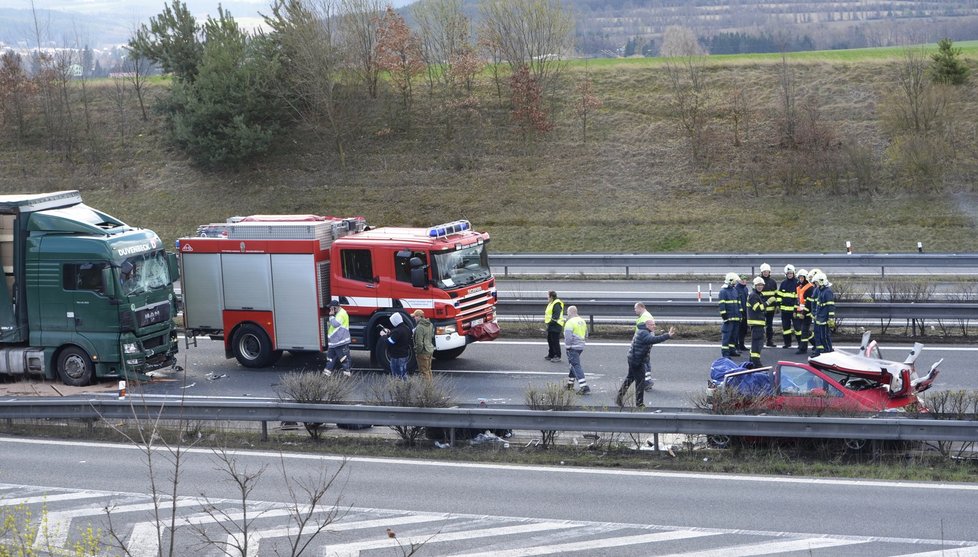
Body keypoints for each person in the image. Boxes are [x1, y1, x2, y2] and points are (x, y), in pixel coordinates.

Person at [616, 319, 677, 408]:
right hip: (637, 361)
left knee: (629, 379)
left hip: (633, 359)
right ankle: (639, 404)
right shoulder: (644, 333)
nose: (654, 326)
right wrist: (667, 335)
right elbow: (653, 340)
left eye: (654, 324)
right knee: (640, 382)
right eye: (652, 325)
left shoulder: (642, 330)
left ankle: (619, 397)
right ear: (647, 325)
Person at [563, 306, 590, 395]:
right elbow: (586, 333)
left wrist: (568, 346)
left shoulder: (569, 322)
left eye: (567, 312)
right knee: (572, 364)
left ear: (570, 312)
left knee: (575, 365)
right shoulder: (582, 321)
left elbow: (568, 337)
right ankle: (570, 384)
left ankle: (584, 386)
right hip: (580, 346)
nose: (567, 314)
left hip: (573, 346)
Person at [323, 300, 352, 377]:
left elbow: (335, 324)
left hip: (340, 342)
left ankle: (347, 375)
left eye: (331, 308)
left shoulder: (341, 314)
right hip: (335, 342)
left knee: (344, 359)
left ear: (335, 308)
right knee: (330, 359)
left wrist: (331, 316)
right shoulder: (339, 313)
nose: (330, 310)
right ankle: (326, 375)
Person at [381, 312, 413, 379]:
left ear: (395, 321)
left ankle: (398, 388)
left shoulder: (397, 331)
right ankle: (405, 387)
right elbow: (398, 336)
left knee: (397, 376)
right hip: (405, 355)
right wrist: (390, 333)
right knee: (403, 374)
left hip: (396, 357)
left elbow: (390, 342)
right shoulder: (407, 328)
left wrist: (383, 336)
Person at [812, 271, 836, 356]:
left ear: (821, 282)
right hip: (820, 317)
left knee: (825, 336)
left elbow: (830, 306)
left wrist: (831, 318)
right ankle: (826, 352)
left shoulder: (827, 292)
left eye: (817, 283)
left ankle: (829, 352)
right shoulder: (820, 290)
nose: (816, 284)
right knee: (822, 336)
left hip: (825, 318)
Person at [718, 272, 742, 358]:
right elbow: (722, 306)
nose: (735, 283)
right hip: (728, 319)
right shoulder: (723, 291)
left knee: (734, 336)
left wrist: (740, 315)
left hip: (736, 318)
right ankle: (725, 353)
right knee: (726, 336)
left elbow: (738, 303)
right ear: (730, 280)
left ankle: (732, 350)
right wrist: (725, 317)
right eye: (735, 281)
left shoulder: (734, 290)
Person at [633, 302, 655, 390]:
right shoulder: (645, 316)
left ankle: (646, 381)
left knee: (642, 361)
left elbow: (642, 331)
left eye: (635, 308)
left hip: (643, 342)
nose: (634, 311)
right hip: (647, 341)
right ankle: (648, 380)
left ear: (640, 307)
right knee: (646, 360)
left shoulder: (645, 317)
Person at [747, 277, 768, 367]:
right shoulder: (753, 295)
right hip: (756, 323)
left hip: (758, 323)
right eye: (758, 285)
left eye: (761, 285)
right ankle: (756, 363)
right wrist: (767, 303)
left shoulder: (758, 295)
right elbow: (757, 308)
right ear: (754, 286)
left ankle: (752, 361)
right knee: (757, 343)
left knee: (758, 342)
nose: (760, 287)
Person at [777, 264, 799, 348]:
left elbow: (798, 298)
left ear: (793, 273)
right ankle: (787, 343)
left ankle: (800, 344)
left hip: (794, 311)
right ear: (786, 274)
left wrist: (796, 310)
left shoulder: (797, 283)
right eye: (788, 273)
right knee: (786, 328)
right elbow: (779, 296)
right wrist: (778, 305)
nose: (789, 275)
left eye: (791, 273)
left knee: (798, 329)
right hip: (784, 311)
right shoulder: (783, 283)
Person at [793, 269, 814, 355]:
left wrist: (804, 313)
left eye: (802, 278)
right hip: (799, 312)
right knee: (804, 330)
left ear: (805, 278)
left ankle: (803, 348)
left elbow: (808, 303)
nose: (801, 279)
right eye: (799, 278)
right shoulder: (798, 287)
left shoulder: (810, 288)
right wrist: (794, 311)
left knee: (804, 331)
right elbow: (797, 300)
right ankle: (816, 343)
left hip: (806, 313)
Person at [759, 263, 779, 347]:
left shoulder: (773, 282)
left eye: (767, 271)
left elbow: (776, 295)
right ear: (761, 272)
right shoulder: (759, 281)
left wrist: (777, 305)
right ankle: (760, 341)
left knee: (769, 326)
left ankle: (769, 341)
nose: (766, 273)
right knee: (760, 326)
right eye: (764, 272)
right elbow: (756, 295)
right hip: (762, 308)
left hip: (771, 309)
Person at [412, 309, 434, 380]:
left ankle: (426, 389)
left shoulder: (419, 327)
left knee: (423, 372)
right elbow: (432, 335)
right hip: (429, 349)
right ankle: (430, 388)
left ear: (419, 317)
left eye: (415, 316)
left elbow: (419, 343)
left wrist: (417, 351)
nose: (414, 318)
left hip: (423, 352)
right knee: (428, 370)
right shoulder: (430, 324)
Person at [543, 290, 565, 362]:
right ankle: (551, 354)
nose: (547, 298)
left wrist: (551, 322)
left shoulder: (557, 303)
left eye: (548, 296)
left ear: (551, 297)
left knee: (555, 341)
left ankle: (557, 356)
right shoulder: (551, 303)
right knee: (550, 340)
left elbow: (556, 315)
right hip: (551, 324)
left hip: (556, 324)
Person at [735, 275, 750, 351]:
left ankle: (742, 344)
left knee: (744, 329)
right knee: (738, 329)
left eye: (745, 279)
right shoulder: (736, 289)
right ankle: (736, 345)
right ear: (738, 281)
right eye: (742, 280)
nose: (744, 281)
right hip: (739, 312)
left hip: (745, 311)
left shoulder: (746, 289)